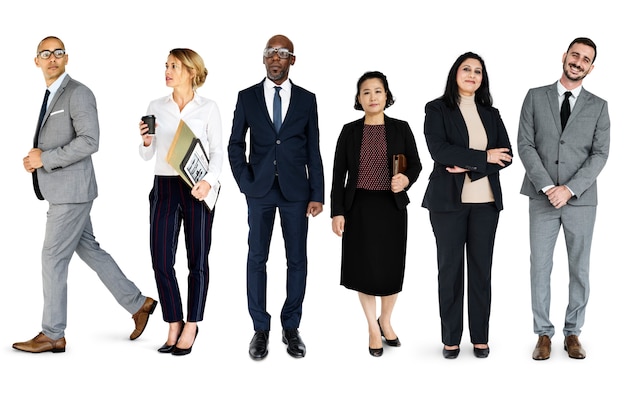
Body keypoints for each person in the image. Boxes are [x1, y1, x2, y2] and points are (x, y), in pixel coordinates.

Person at [14, 36, 157, 354]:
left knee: (52, 258)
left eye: (58, 53)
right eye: (45, 54)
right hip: (65, 190)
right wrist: (36, 161)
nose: (52, 58)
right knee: (90, 249)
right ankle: (139, 303)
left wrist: (44, 160)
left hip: (72, 193)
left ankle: (53, 334)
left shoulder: (78, 93)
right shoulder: (53, 94)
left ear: (67, 58)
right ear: (36, 61)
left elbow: (90, 140)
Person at [228, 34, 324, 360]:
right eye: (270, 52)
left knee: (297, 260)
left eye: (282, 53)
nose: (274, 57)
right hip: (260, 191)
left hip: (297, 193)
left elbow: (314, 150)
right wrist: (245, 181)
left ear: (292, 60)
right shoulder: (247, 97)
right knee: (257, 258)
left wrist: (318, 193)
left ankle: (291, 326)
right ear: (263, 58)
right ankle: (260, 328)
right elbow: (235, 145)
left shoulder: (308, 100)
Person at [517, 37, 609, 361]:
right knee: (539, 267)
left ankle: (573, 333)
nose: (578, 62)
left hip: (580, 201)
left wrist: (568, 189)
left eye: (586, 59)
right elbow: (525, 145)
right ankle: (543, 334)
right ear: (564, 56)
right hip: (541, 199)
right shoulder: (534, 97)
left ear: (591, 67)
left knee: (579, 269)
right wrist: (547, 187)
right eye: (575, 55)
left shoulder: (599, 107)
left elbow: (600, 155)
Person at [421, 52, 512, 359]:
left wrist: (471, 165)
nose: (472, 75)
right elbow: (439, 150)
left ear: (482, 79)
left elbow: (506, 155)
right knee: (450, 271)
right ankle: (450, 338)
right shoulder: (437, 109)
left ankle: (480, 337)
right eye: (466, 69)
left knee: (480, 272)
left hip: (486, 203)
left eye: (478, 71)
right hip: (447, 203)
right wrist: (482, 157)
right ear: (455, 73)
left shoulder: (491, 113)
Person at [138, 48, 223, 356]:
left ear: (190, 71)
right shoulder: (155, 106)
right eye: (166, 65)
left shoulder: (208, 108)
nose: (167, 70)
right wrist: (147, 142)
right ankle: (173, 320)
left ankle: (191, 323)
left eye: (174, 66)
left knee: (197, 260)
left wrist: (208, 181)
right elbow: (148, 155)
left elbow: (218, 152)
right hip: (164, 186)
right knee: (161, 258)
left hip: (197, 188)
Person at [330, 71, 421, 357]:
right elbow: (338, 175)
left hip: (391, 208)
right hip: (359, 209)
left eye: (378, 91)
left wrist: (405, 179)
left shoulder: (401, 128)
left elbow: (416, 165)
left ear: (387, 95)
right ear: (359, 98)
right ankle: (372, 327)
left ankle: (386, 319)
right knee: (363, 270)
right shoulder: (349, 131)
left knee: (391, 269)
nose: (372, 97)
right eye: (366, 92)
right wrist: (337, 212)